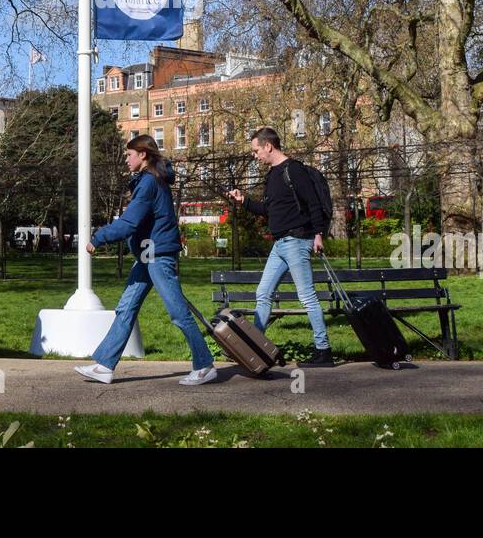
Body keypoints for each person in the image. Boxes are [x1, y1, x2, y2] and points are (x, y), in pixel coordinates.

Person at [75, 135, 218, 386]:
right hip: (147, 254)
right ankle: (104, 366)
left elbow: (130, 222)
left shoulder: (150, 182)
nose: (126, 160)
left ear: (142, 155)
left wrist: (97, 238)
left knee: (177, 312)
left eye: (129, 155)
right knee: (126, 309)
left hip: (158, 255)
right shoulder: (149, 180)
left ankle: (204, 365)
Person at [227, 127, 333, 366]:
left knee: (307, 297)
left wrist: (318, 234)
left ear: (268, 146)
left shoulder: (293, 170)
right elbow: (268, 209)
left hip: (297, 241)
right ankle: (254, 346)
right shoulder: (272, 175)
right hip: (280, 244)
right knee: (262, 293)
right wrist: (244, 202)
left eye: (256, 151)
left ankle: (323, 350)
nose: (255, 156)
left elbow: (313, 204)